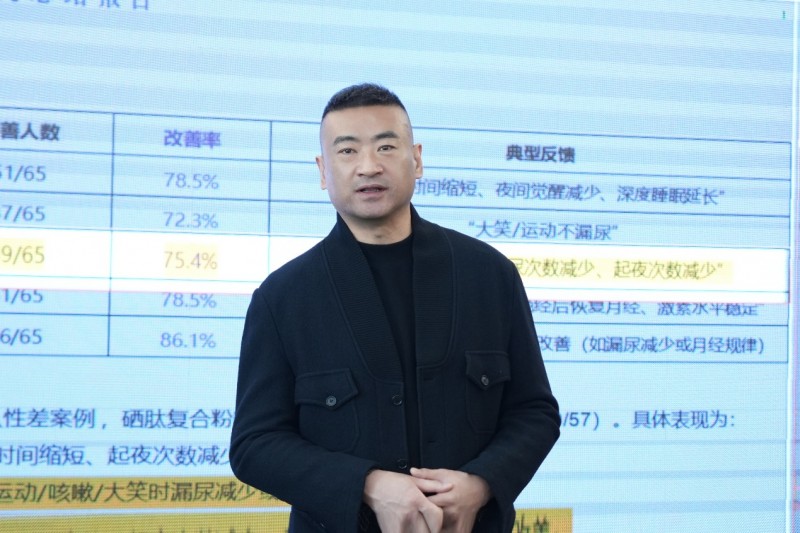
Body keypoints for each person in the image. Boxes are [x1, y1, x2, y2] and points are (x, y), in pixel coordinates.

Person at [230, 83, 560, 533]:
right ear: (323, 170)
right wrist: (366, 485)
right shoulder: (283, 297)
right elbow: (254, 444)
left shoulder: (489, 275)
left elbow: (534, 411)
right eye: (347, 151)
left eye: (386, 146)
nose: (369, 165)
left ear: (417, 159)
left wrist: (481, 484)